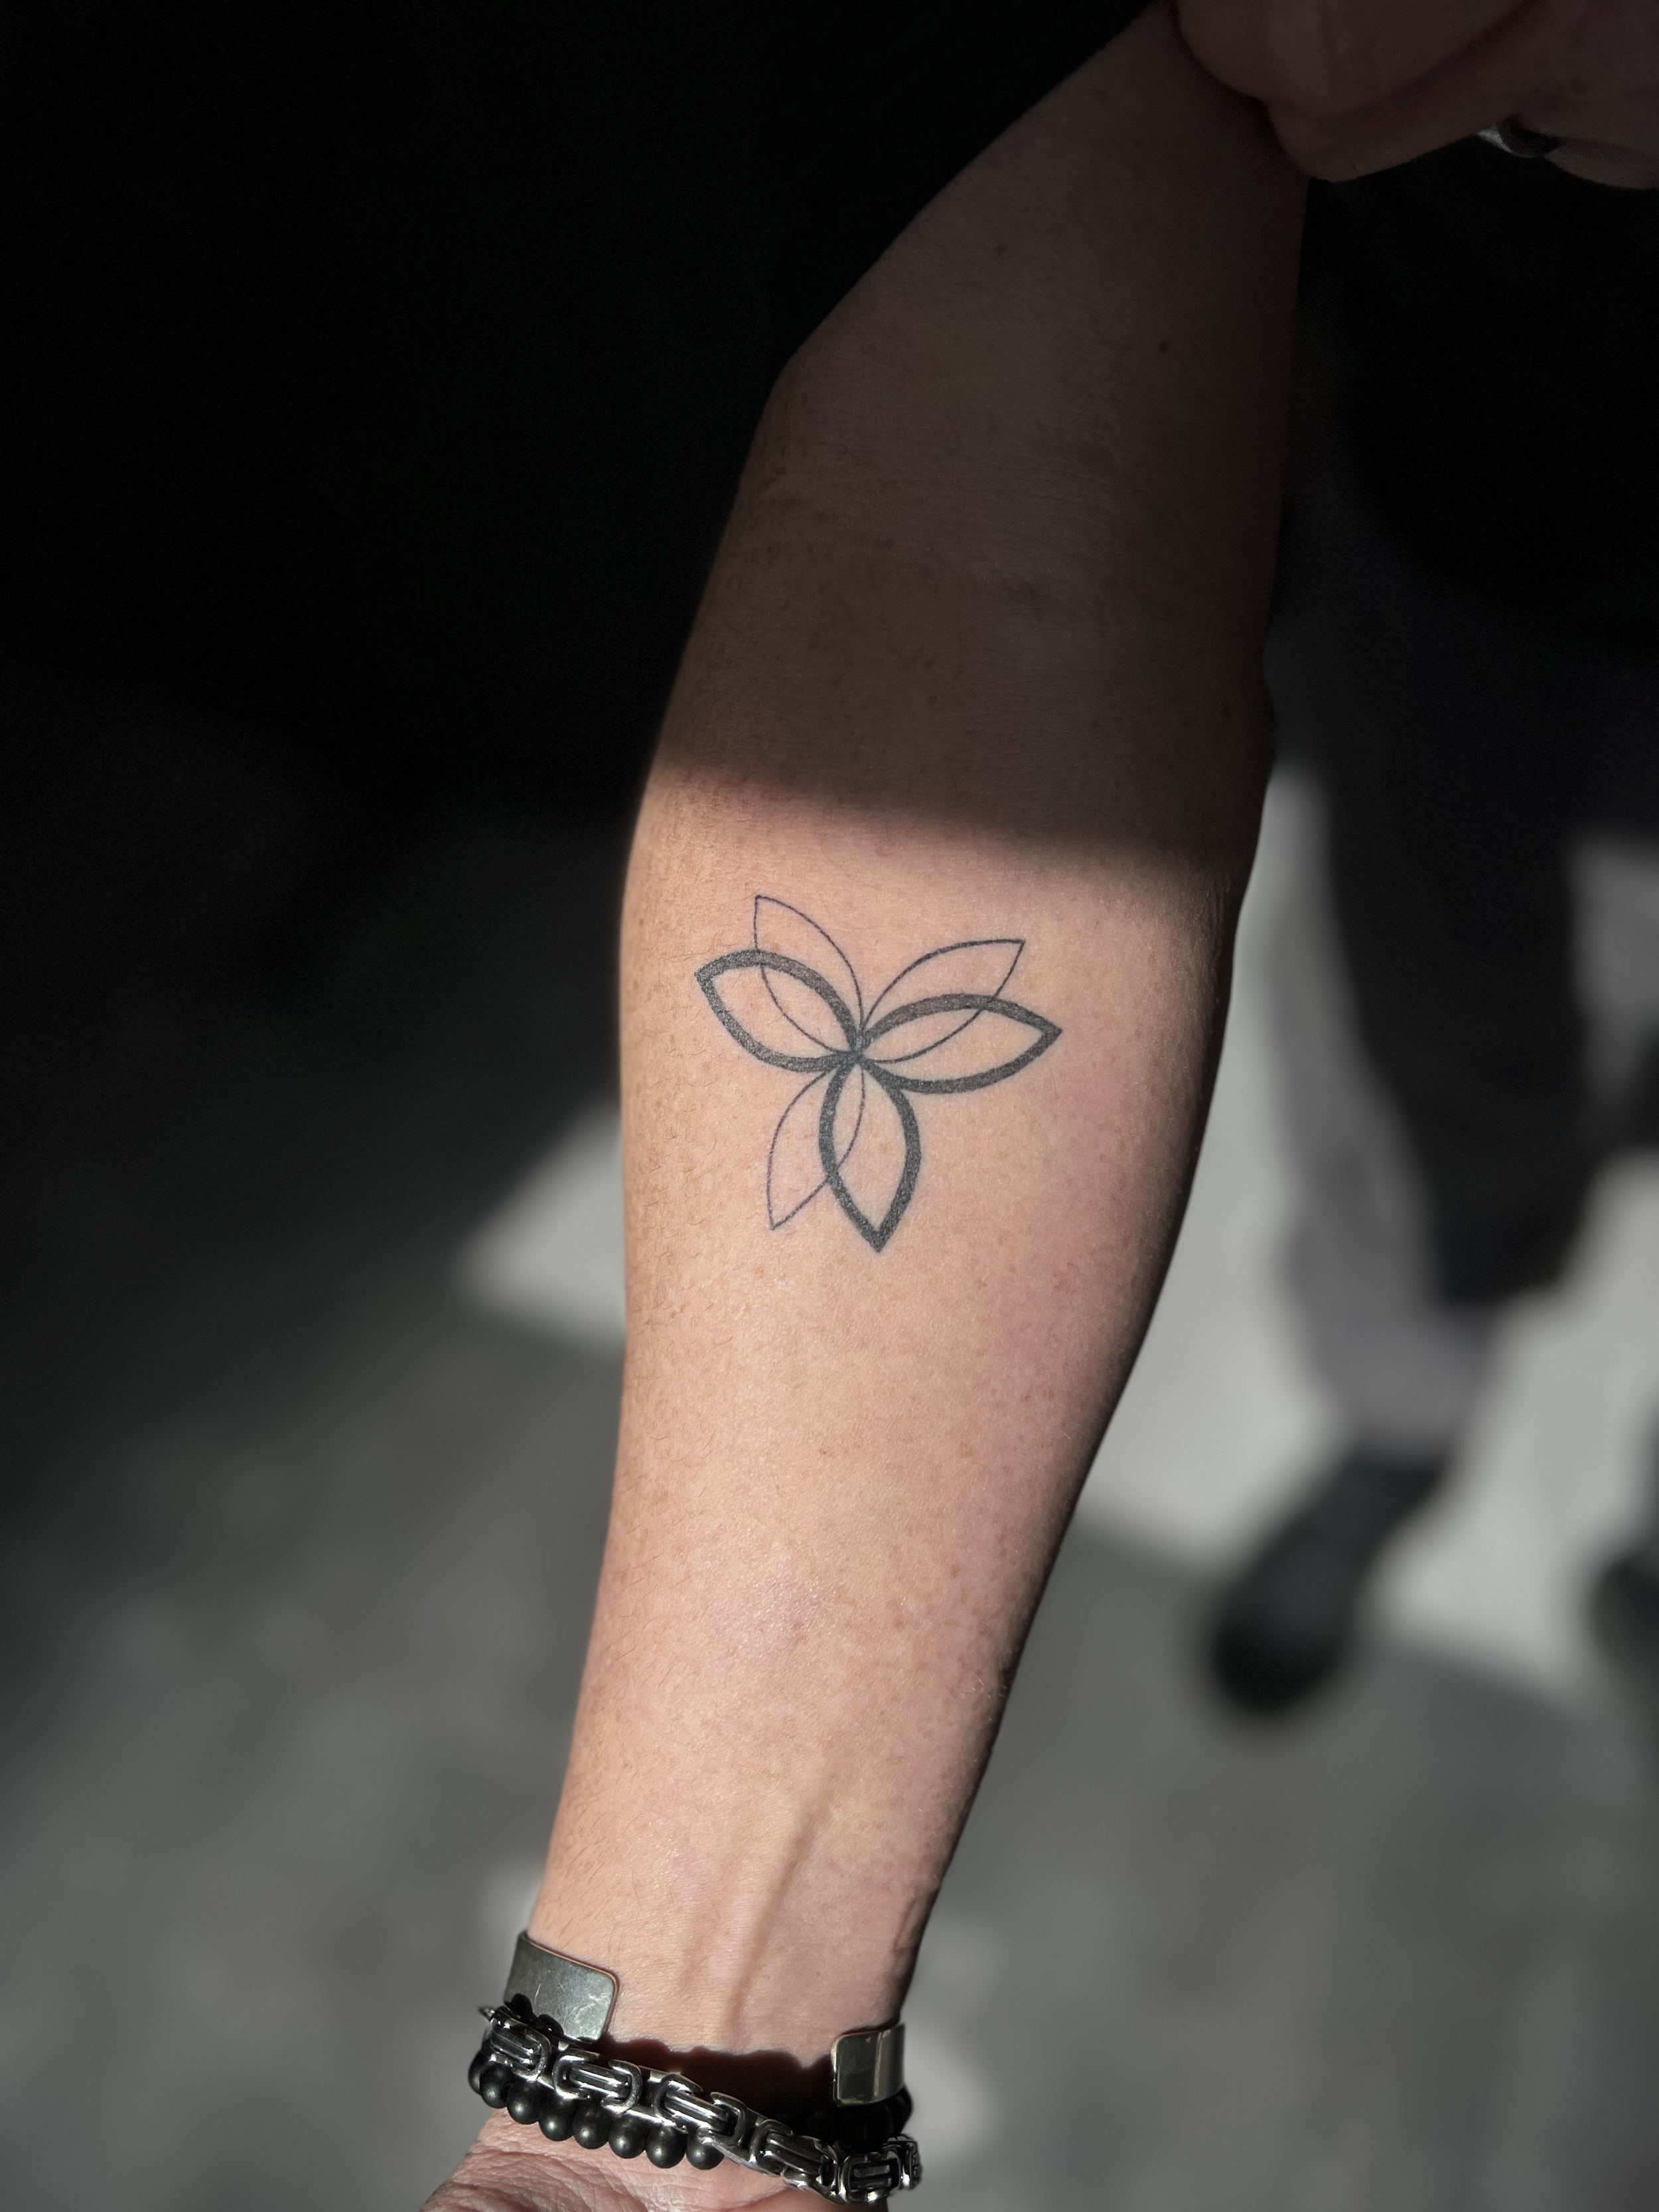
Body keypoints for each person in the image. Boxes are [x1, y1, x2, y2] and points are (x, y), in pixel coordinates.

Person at [425, 5, 1659, 2206]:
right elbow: (963, 559)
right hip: (1493, 492)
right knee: (1430, 1063)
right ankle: (1399, 1415)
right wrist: (671, 2077)